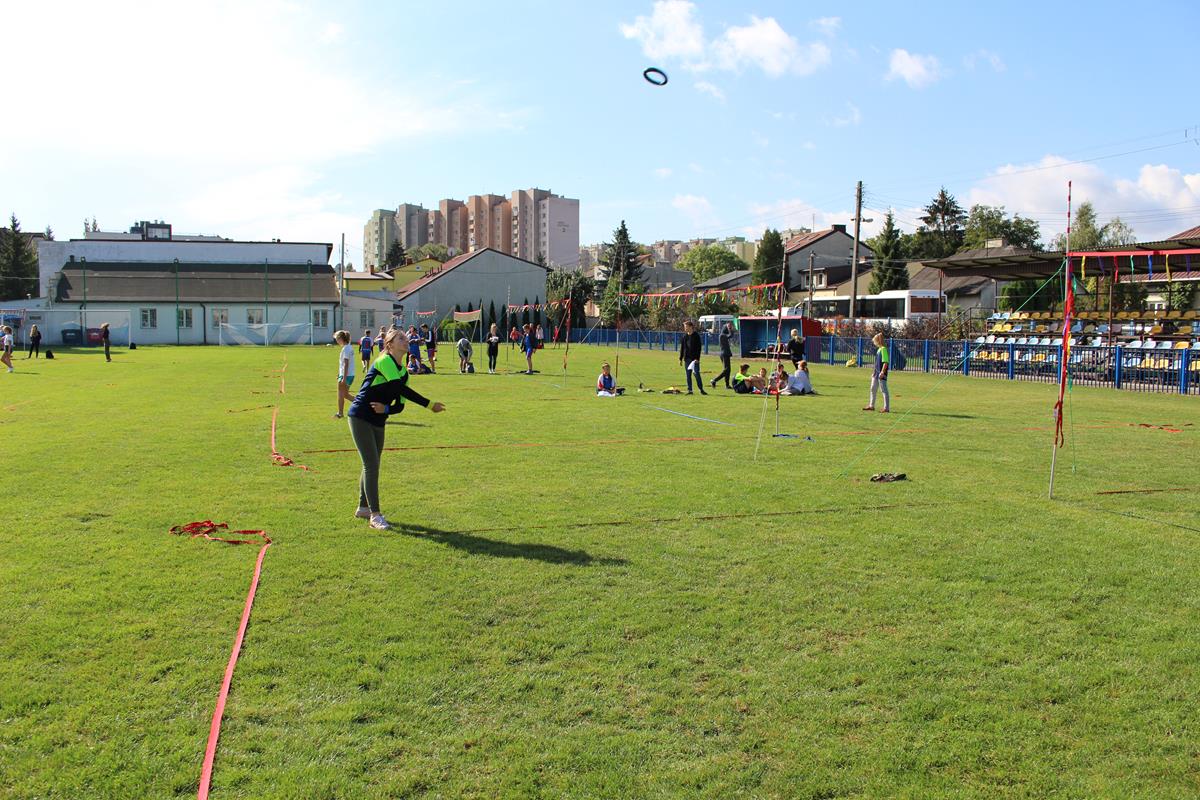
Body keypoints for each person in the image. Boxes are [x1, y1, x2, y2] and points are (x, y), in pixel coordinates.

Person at [348, 329, 446, 530]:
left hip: (378, 420)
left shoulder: (404, 373)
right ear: (389, 344)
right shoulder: (384, 361)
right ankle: (375, 515)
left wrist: (386, 409)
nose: (406, 340)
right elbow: (399, 389)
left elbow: (399, 405)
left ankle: (363, 507)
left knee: (372, 464)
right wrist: (429, 405)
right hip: (360, 416)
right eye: (401, 338)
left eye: (406, 338)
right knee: (371, 465)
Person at [864, 332, 890, 412]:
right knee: (873, 388)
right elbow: (877, 363)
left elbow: (886, 362)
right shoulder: (879, 350)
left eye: (875, 341)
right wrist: (874, 372)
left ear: (878, 341)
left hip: (881, 374)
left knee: (884, 390)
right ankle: (871, 406)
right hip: (876, 373)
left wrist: (882, 372)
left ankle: (886, 408)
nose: (874, 343)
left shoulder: (883, 349)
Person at [678, 320, 707, 395]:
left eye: (686, 327)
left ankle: (701, 389)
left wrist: (697, 358)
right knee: (688, 375)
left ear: (690, 327)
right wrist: (680, 358)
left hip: (694, 359)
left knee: (696, 374)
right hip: (687, 359)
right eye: (684, 327)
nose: (685, 328)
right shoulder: (685, 336)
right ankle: (690, 390)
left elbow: (699, 348)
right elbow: (682, 348)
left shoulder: (696, 336)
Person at [333, 330, 355, 419]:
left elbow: (346, 364)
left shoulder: (346, 349)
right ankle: (363, 404)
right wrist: (339, 373)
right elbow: (343, 364)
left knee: (340, 394)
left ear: (341, 339)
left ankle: (340, 413)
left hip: (346, 375)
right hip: (350, 374)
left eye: (337, 339)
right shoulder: (349, 347)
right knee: (345, 394)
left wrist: (343, 378)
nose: (336, 341)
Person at [710, 322, 733, 389]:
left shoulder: (723, 335)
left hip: (726, 354)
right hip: (724, 354)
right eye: (727, 327)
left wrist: (730, 329)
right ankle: (714, 380)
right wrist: (729, 328)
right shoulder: (722, 335)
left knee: (728, 370)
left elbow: (731, 335)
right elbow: (730, 335)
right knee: (727, 369)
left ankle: (727, 385)